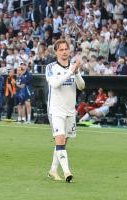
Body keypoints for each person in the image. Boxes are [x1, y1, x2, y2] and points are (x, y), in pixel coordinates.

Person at [45, 39, 85, 182]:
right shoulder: (50, 67)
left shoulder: (73, 68)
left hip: (69, 110)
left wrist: (77, 73)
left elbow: (81, 86)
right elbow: (55, 84)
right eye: (61, 50)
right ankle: (67, 172)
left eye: (66, 49)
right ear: (56, 52)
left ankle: (53, 170)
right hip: (55, 110)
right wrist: (70, 71)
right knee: (60, 139)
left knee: (62, 142)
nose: (64, 52)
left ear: (69, 51)